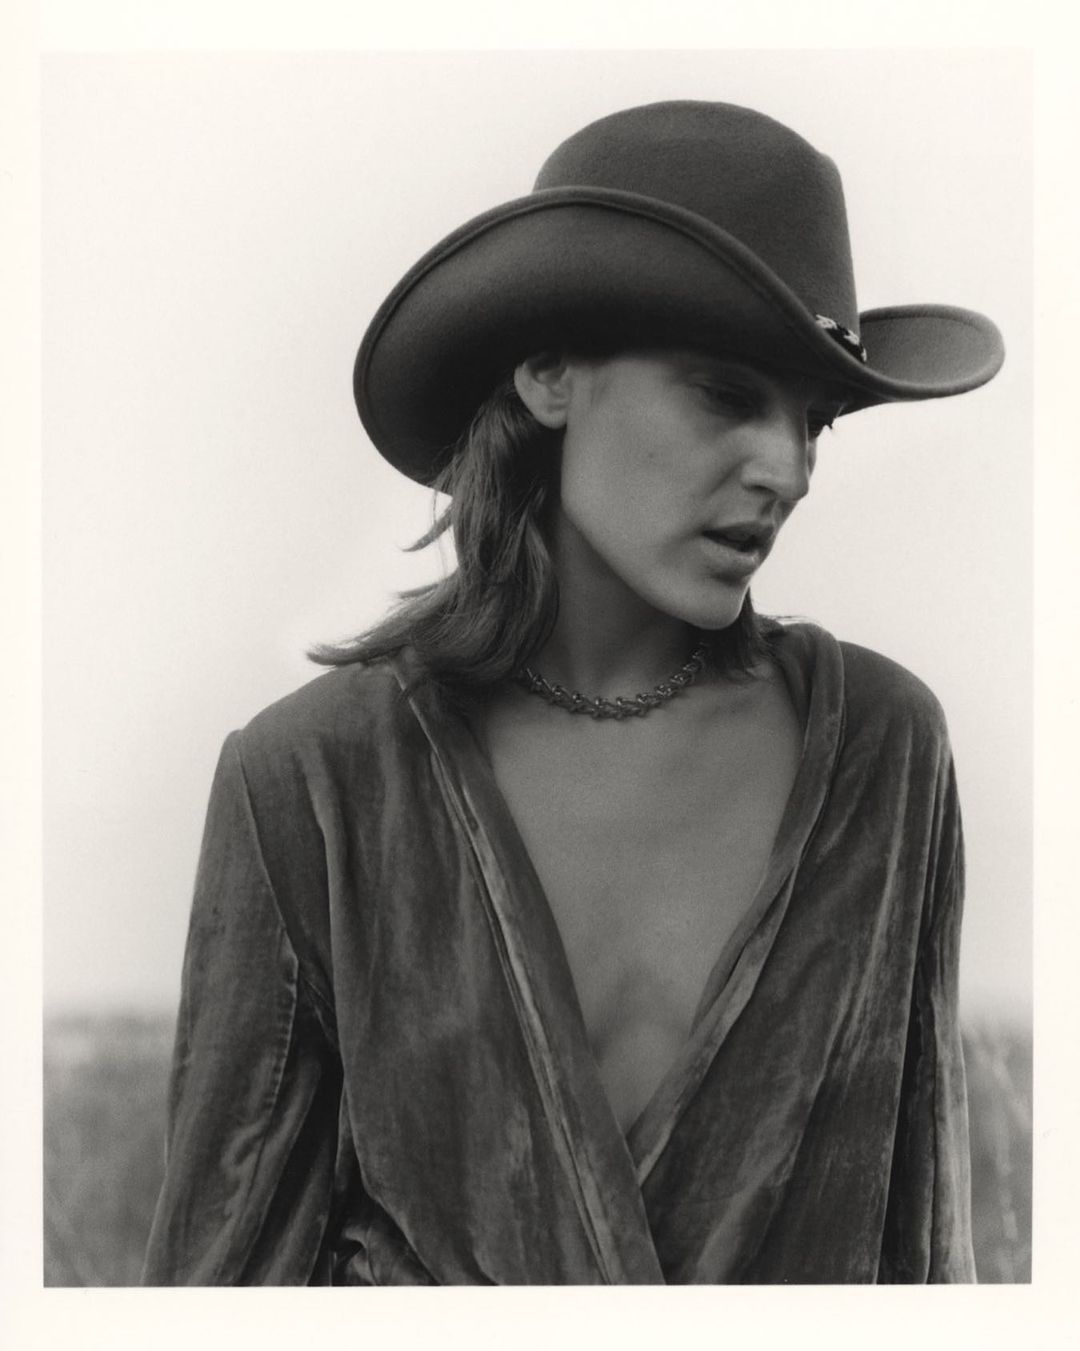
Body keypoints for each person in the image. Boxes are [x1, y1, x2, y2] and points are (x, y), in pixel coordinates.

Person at [142, 99, 1004, 1285]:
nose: (788, 469)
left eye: (814, 421)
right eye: (725, 393)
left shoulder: (883, 753)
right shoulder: (316, 780)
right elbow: (221, 1278)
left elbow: (923, 1246)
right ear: (551, 371)